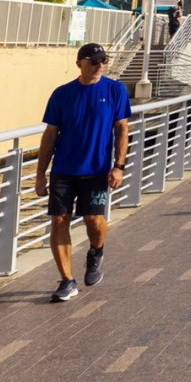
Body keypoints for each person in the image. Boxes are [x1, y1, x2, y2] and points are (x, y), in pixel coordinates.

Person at [36, 43, 132, 303]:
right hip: (64, 170)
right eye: (94, 61)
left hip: (97, 170)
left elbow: (121, 130)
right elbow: (50, 135)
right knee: (58, 220)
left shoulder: (114, 90)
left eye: (103, 61)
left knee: (93, 220)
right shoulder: (62, 94)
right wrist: (40, 173)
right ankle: (67, 281)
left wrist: (119, 166)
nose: (100, 66)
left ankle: (96, 251)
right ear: (80, 63)